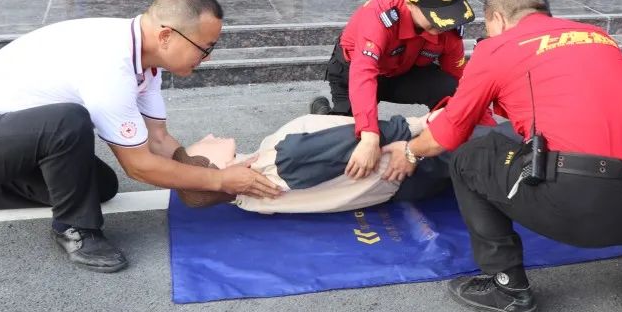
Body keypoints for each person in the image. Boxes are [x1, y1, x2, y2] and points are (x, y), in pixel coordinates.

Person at [384, 0, 622, 312]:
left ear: (497, 18)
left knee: (470, 158)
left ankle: (509, 289)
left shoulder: (498, 48)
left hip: (580, 207)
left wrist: (410, 151)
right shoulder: (598, 36)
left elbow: (447, 134)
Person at [0, 0, 283, 272]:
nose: (207, 57)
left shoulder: (145, 63)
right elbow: (139, 165)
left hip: (8, 137)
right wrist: (220, 181)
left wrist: (206, 174)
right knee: (69, 121)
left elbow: (158, 140)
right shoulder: (111, 62)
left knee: (100, 186)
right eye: (204, 48)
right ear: (166, 36)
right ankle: (76, 230)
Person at [309, 0, 474, 181]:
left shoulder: (447, 28)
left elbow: (460, 81)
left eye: (447, 13)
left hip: (401, 73)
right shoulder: (379, 16)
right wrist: (369, 137)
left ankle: (438, 153)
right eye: (435, 15)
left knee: (450, 90)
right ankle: (324, 114)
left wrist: (473, 126)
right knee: (347, 142)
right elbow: (363, 73)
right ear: (410, 3)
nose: (443, 24)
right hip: (353, 73)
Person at [173, 110, 504, 214]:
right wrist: (423, 124)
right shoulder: (281, 157)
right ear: (215, 168)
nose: (209, 135)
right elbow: (360, 141)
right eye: (202, 145)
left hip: (399, 189)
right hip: (410, 163)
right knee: (500, 146)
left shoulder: (251, 200)